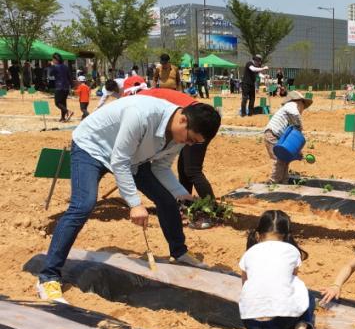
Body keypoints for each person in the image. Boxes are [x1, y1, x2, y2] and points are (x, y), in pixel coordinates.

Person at [35, 94, 222, 303]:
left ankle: (179, 253)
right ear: (183, 120)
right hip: (93, 148)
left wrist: (182, 195)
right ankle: (48, 277)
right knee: (83, 205)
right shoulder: (141, 114)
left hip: (133, 158)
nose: (189, 144)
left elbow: (160, 168)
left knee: (167, 200)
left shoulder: (179, 137)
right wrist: (134, 203)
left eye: (194, 143)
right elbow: (119, 161)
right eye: (190, 139)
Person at [240, 210, 315, 329]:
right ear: (286, 236)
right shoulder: (292, 251)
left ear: (258, 234)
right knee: (306, 295)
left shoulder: (248, 254)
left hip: (250, 320)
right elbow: (290, 285)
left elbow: (244, 286)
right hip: (281, 322)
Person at [138, 87, 216, 202]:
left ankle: (211, 207)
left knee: (192, 170)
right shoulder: (147, 96)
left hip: (195, 124)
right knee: (184, 168)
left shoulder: (140, 102)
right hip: (196, 121)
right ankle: (185, 202)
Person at [262, 91, 312, 183]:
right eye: (303, 105)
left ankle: (284, 180)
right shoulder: (291, 105)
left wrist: (297, 151)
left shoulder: (289, 114)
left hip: (278, 136)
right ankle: (273, 181)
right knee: (280, 158)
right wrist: (300, 128)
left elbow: (291, 138)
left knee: (285, 158)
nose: (303, 109)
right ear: (298, 101)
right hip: (272, 134)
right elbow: (296, 115)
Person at [49, 53, 73, 122]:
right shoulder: (66, 67)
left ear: (56, 60)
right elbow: (69, 77)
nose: (52, 61)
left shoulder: (55, 67)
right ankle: (63, 118)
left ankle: (68, 111)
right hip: (66, 87)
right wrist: (71, 86)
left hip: (59, 87)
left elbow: (50, 74)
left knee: (57, 103)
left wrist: (52, 65)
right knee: (63, 102)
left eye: (53, 59)